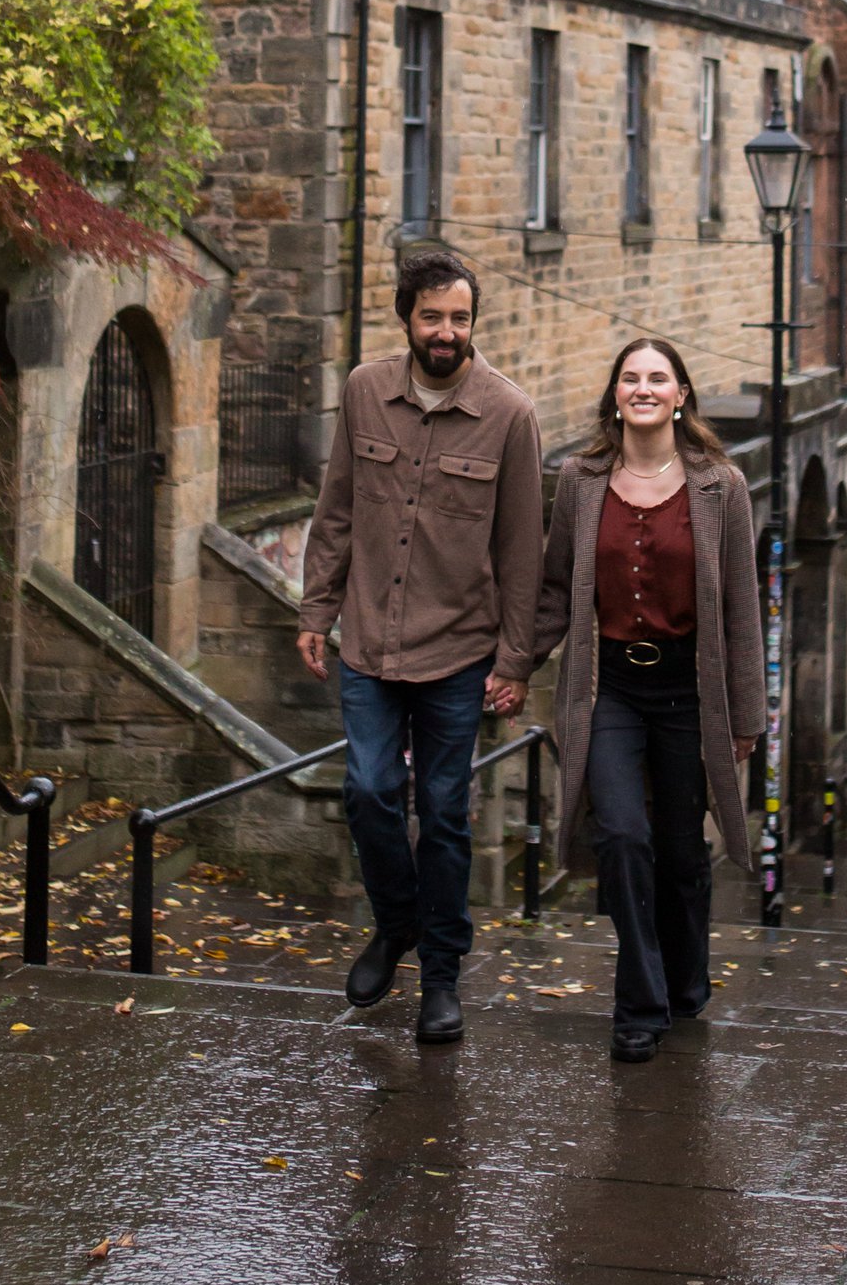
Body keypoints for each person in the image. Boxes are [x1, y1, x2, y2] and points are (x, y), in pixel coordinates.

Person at [296, 245, 542, 1045]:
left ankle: (441, 975)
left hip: (459, 653)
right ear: (407, 318)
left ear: (474, 323)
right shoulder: (364, 391)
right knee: (369, 791)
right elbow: (336, 509)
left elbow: (522, 553)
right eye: (432, 316)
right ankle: (396, 921)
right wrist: (315, 611)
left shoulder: (510, 415)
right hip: (369, 640)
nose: (446, 332)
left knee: (442, 812)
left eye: (459, 318)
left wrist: (515, 661)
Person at [535, 336, 765, 1062]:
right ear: (614, 395)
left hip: (688, 690)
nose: (643, 388)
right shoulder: (579, 481)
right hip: (608, 687)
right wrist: (511, 665)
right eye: (630, 377)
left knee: (681, 850)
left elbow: (741, 608)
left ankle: (685, 977)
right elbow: (553, 589)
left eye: (658, 378)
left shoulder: (722, 487)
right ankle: (638, 1003)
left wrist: (747, 715)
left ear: (680, 396)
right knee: (621, 836)